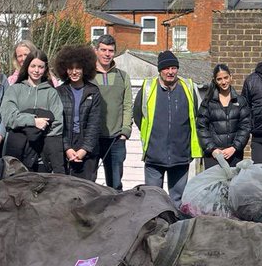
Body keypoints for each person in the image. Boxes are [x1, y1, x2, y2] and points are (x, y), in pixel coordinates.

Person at [133, 50, 201, 207]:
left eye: (173, 68)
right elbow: (138, 116)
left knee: (178, 200)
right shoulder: (148, 88)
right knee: (152, 199)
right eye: (166, 68)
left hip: (180, 155)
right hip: (154, 155)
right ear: (159, 70)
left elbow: (196, 115)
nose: (170, 72)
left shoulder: (188, 87)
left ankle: (175, 229)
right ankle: (154, 229)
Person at [0, 46, 64, 173]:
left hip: (42, 155)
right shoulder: (15, 90)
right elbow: (9, 117)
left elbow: (57, 122)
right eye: (33, 66)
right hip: (17, 152)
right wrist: (33, 121)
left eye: (40, 67)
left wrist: (39, 135)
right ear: (27, 67)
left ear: (45, 69)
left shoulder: (51, 93)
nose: (36, 70)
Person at [53, 44, 102, 181]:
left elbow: (94, 124)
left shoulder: (94, 92)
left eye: (78, 68)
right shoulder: (59, 92)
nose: (74, 72)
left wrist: (84, 150)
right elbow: (58, 124)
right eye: (70, 68)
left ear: (85, 69)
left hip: (87, 148)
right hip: (65, 145)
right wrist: (67, 149)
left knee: (87, 191)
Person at [93, 34, 133, 189]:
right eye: (103, 50)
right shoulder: (88, 76)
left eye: (110, 50)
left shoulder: (122, 77)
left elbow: (127, 105)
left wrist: (125, 131)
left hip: (116, 139)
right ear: (96, 51)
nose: (107, 54)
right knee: (88, 184)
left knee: (115, 185)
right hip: (93, 138)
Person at [196, 64, 251, 168]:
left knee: (233, 184)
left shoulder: (241, 101)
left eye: (226, 78)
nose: (223, 82)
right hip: (214, 156)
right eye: (219, 79)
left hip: (234, 154)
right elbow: (201, 127)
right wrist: (212, 149)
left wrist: (234, 147)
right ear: (215, 80)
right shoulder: (208, 102)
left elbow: (245, 127)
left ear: (231, 77)